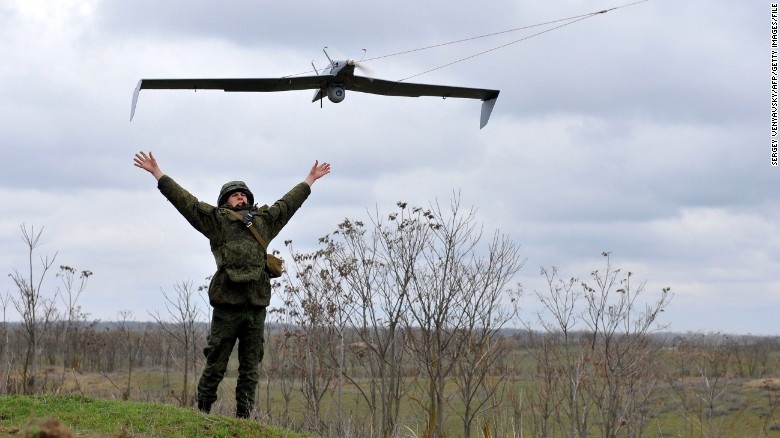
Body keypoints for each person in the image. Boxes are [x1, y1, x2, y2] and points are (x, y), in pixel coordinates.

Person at [133, 150, 331, 418]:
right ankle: (202, 413)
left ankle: (244, 419)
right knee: (216, 363)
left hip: (255, 306)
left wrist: (310, 180)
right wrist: (158, 174)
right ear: (225, 200)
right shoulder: (217, 222)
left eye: (244, 194)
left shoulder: (263, 222)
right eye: (235, 194)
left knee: (250, 368)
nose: (241, 197)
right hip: (227, 305)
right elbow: (186, 203)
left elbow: (288, 204)